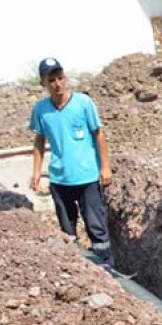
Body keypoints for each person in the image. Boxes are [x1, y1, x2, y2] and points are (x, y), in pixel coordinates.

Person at [28, 58, 114, 263]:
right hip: (60, 179)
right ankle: (79, 269)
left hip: (87, 177)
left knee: (97, 228)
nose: (57, 84)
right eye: (51, 80)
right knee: (68, 232)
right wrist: (37, 171)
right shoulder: (41, 109)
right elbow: (39, 140)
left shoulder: (83, 103)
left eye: (60, 78)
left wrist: (105, 167)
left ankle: (109, 270)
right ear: (43, 83)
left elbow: (98, 133)